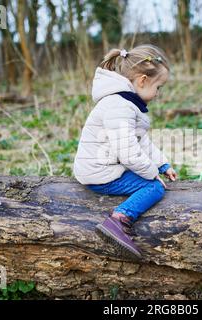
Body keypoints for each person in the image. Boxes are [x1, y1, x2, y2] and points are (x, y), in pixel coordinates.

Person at [73, 44, 177, 259]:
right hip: (100, 173)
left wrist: (161, 164)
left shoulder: (125, 102)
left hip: (102, 167)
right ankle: (119, 219)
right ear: (142, 80)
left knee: (153, 178)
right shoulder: (119, 106)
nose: (158, 94)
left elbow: (141, 142)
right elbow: (128, 153)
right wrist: (152, 173)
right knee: (154, 188)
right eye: (159, 87)